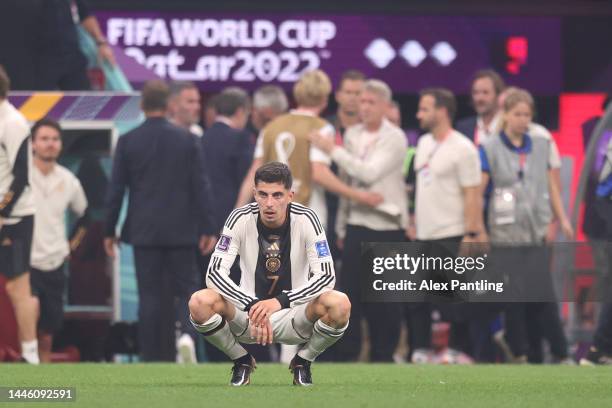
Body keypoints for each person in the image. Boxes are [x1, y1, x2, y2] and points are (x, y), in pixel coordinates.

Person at [189, 162, 351, 386]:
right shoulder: (239, 218)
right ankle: (241, 359)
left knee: (340, 304)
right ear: (254, 193)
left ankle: (304, 360)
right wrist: (253, 304)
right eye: (263, 195)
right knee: (199, 302)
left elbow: (326, 276)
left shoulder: (307, 219)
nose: (269, 203)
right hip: (248, 316)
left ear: (290, 195)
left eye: (277, 195)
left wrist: (279, 302)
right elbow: (215, 273)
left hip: (296, 316)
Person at [104, 80, 209, 362]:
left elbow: (116, 190)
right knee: (188, 289)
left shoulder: (128, 141)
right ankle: (186, 334)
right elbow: (201, 187)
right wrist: (209, 226)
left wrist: (108, 230)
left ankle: (150, 355)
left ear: (142, 105)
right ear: (169, 106)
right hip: (182, 230)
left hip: (144, 231)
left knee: (149, 295)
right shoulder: (188, 139)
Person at [310, 79, 407, 361]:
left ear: (385, 106)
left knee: (386, 301)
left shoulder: (395, 137)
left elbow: (369, 174)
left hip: (387, 227)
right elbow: (347, 182)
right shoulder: (352, 134)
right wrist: (341, 224)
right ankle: (348, 357)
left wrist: (333, 150)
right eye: (361, 102)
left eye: (370, 103)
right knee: (350, 295)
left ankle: (383, 356)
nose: (363, 107)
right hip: (356, 225)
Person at [479, 88, 574, 362]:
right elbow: (480, 190)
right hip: (504, 234)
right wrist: (477, 228)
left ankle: (556, 351)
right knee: (513, 295)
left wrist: (560, 219)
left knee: (541, 293)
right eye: (517, 113)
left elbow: (551, 187)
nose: (522, 119)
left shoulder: (542, 143)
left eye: (527, 114)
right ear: (506, 115)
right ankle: (519, 349)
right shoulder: (490, 146)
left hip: (535, 231)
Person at [236, 70, 381, 227]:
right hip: (308, 216)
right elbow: (318, 173)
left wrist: (237, 215)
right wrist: (359, 196)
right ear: (325, 99)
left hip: (270, 217)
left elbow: (254, 172)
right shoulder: (321, 128)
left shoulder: (271, 127)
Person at [410, 88, 485, 362]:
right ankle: (420, 350)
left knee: (453, 299)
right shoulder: (424, 143)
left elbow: (473, 193)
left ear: (442, 111)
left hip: (452, 232)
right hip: (423, 233)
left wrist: (472, 232)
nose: (419, 114)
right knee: (417, 298)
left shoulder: (463, 148)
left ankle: (454, 350)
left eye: (424, 109)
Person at [29, 118, 88, 363]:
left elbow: (85, 216)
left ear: (61, 145)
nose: (49, 144)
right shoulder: (17, 177)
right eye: (44, 139)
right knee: (25, 325)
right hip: (22, 262)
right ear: (33, 144)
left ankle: (43, 384)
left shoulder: (68, 180)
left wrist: (69, 248)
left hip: (54, 261)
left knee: (47, 329)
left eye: (54, 139)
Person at [0, 65, 39, 364]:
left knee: (17, 287)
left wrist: (3, 211)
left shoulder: (12, 122)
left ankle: (30, 355)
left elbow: (22, 174)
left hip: (14, 218)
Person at [37, 0, 115, 90]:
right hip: (36, 61)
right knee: (35, 102)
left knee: (83, 101)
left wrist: (101, 44)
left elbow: (84, 14)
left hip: (71, 57)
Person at [456, 69, 505, 145]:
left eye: (485, 92)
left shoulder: (509, 126)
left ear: (498, 95)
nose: (479, 98)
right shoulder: (462, 128)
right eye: (475, 92)